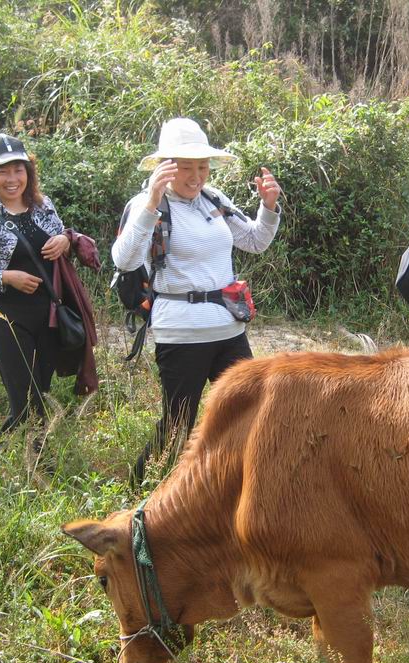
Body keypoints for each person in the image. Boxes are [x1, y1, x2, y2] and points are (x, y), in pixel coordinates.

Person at [112, 117, 282, 481]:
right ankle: (139, 493)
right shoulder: (145, 204)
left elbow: (254, 241)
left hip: (229, 329)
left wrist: (268, 207)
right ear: (164, 167)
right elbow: (124, 260)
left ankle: (223, 488)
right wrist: (151, 205)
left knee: (249, 412)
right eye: (186, 168)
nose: (196, 176)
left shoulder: (213, 199)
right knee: (179, 424)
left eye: (202, 167)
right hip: (182, 334)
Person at [0, 133, 73, 433]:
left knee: (41, 394)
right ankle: (36, 467)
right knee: (24, 399)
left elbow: (63, 240)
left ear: (28, 172)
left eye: (18, 169)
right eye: (2, 171)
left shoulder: (44, 206)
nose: (12, 178)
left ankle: (16, 454)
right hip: (8, 318)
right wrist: (5, 277)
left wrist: (64, 240)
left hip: (49, 317)